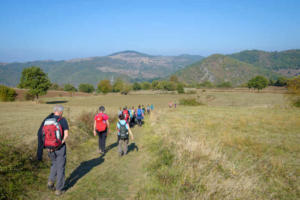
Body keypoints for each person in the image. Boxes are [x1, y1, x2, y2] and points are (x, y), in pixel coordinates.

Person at [37, 105, 69, 196]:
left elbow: (42, 135)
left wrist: (47, 146)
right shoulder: (62, 120)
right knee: (61, 167)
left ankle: (50, 182)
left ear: (54, 111)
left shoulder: (47, 120)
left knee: (54, 164)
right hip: (60, 148)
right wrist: (60, 143)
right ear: (60, 112)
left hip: (48, 147)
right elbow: (66, 135)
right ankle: (59, 189)